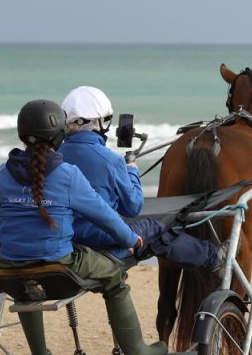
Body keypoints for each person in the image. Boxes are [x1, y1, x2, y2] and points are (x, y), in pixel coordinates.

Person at [0, 99, 168, 355]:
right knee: (114, 277)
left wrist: (18, 244)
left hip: (8, 271)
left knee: (26, 288)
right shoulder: (67, 175)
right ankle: (136, 352)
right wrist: (130, 239)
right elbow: (104, 216)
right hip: (61, 270)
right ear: (59, 135)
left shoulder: (0, 174)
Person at [57, 85, 222, 270]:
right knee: (153, 227)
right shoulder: (111, 161)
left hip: (67, 236)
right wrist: (132, 170)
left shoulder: (54, 155)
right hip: (101, 239)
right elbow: (133, 207)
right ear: (100, 122)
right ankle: (213, 258)